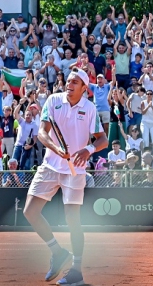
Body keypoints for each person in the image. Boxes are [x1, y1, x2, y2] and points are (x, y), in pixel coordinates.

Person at [23, 68, 107, 286]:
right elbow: (42, 132)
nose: (69, 84)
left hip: (75, 170)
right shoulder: (53, 100)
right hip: (50, 165)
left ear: (84, 88)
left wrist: (88, 149)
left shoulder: (90, 108)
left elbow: (103, 139)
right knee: (30, 211)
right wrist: (55, 148)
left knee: (73, 220)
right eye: (68, 81)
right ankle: (58, 252)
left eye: (75, 82)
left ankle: (76, 271)